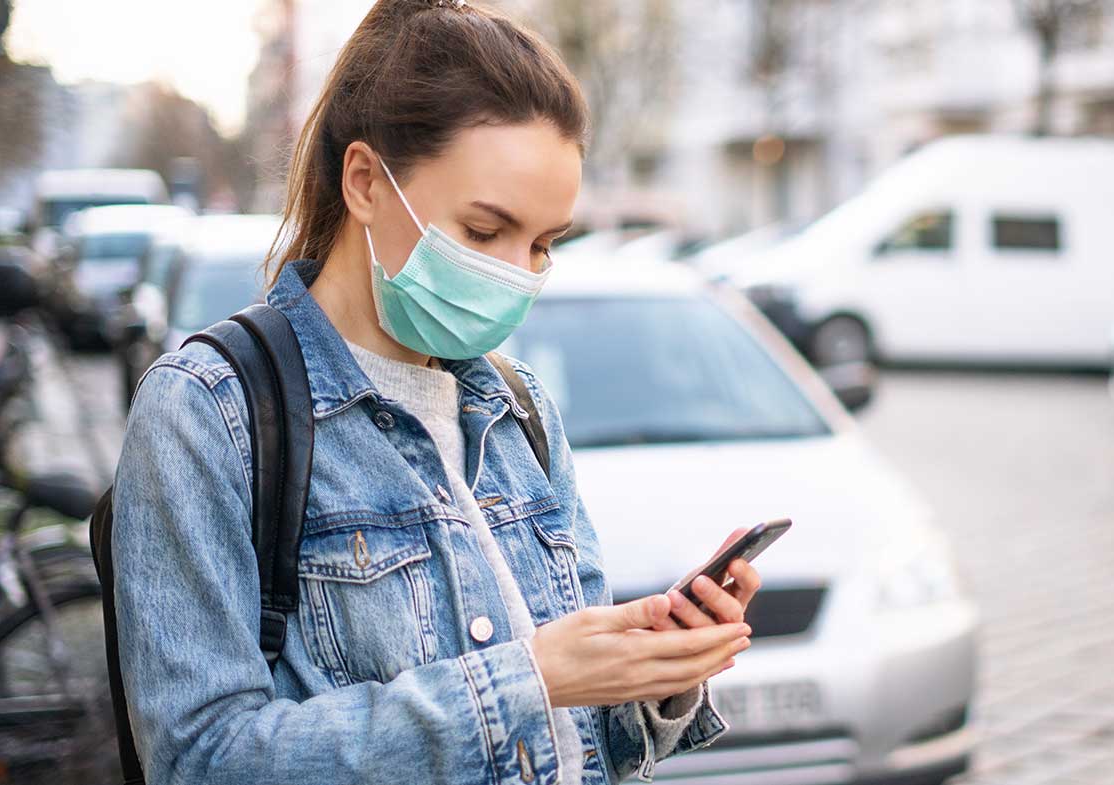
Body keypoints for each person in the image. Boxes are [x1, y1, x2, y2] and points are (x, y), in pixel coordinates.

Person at [109, 1, 761, 782]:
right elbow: (201, 760)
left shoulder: (522, 413)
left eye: (545, 243)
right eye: (485, 231)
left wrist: (654, 673)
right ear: (365, 184)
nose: (518, 272)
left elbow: (584, 742)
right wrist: (530, 678)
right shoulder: (209, 413)